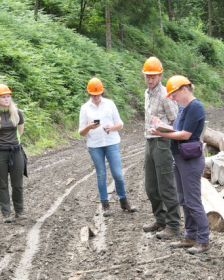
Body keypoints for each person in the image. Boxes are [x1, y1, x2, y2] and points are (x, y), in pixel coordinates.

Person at [150, 75, 210, 254]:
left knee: (193, 201)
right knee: (184, 199)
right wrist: (163, 127)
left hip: (190, 160)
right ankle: (190, 236)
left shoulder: (195, 107)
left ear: (184, 89)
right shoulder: (184, 108)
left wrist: (164, 134)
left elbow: (185, 135)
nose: (172, 98)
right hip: (180, 158)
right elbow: (177, 130)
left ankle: (203, 240)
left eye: (174, 94)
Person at [79, 77, 137, 217]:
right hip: (95, 145)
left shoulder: (110, 104)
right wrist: (89, 126)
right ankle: (105, 205)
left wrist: (111, 127)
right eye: (93, 95)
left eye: (98, 94)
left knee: (118, 174)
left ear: (102, 92)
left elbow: (120, 124)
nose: (96, 97)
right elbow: (81, 132)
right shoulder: (85, 108)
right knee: (101, 175)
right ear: (89, 94)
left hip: (111, 142)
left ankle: (124, 201)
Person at [142, 57, 181, 239]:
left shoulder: (166, 95)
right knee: (151, 186)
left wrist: (165, 132)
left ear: (160, 75)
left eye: (154, 76)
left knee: (166, 185)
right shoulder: (147, 93)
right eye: (148, 76)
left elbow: (176, 122)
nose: (150, 80)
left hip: (163, 143)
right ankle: (160, 219)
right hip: (149, 142)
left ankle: (173, 224)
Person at [0, 84, 28, 223]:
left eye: (8, 96)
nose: (7, 99)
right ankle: (6, 214)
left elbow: (20, 131)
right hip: (0, 154)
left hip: (16, 151)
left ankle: (19, 212)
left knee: (17, 184)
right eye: (3, 97)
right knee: (1, 184)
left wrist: (13, 143)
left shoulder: (17, 113)